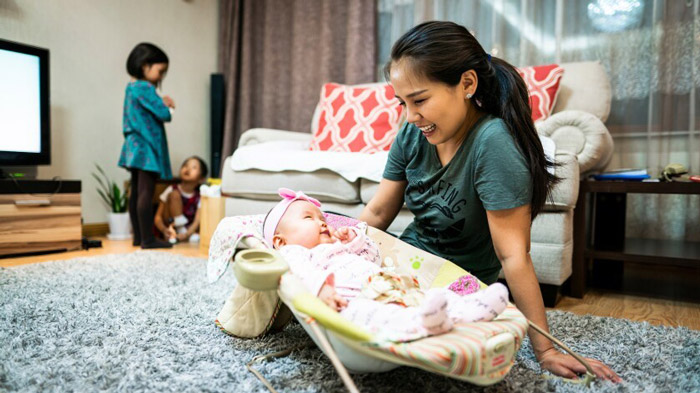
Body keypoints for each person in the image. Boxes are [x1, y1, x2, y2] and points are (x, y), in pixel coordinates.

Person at [359, 21, 621, 381]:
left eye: (419, 100)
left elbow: (513, 255)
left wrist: (545, 350)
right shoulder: (411, 134)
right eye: (402, 102)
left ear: (467, 84)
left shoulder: (492, 143)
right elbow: (377, 211)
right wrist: (339, 249)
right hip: (408, 263)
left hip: (458, 286)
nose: (410, 116)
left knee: (404, 336)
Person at [264, 188, 509, 342]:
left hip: (390, 287)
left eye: (322, 218)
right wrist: (321, 290)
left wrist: (355, 241)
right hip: (351, 301)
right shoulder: (292, 253)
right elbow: (299, 275)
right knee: (383, 317)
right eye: (309, 218)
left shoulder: (338, 246)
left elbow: (373, 258)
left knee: (430, 296)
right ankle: (425, 324)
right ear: (280, 241)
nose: (323, 222)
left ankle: (469, 307)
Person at [118, 43, 176, 249]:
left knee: (136, 192)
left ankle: (138, 237)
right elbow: (163, 114)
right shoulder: (145, 88)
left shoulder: (132, 88)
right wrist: (168, 106)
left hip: (133, 146)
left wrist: (160, 101)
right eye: (160, 71)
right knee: (146, 192)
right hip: (146, 146)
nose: (161, 76)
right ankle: (148, 239)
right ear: (145, 66)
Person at [154, 156, 208, 244]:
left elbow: (197, 221)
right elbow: (158, 217)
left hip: (188, 230)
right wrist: (164, 230)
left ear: (201, 178)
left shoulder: (200, 196)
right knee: (174, 194)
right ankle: (179, 231)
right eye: (185, 166)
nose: (188, 169)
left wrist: (187, 234)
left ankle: (184, 234)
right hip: (171, 226)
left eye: (193, 167)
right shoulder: (171, 189)